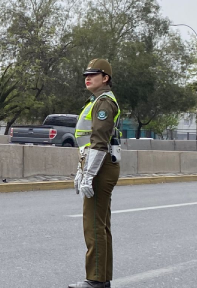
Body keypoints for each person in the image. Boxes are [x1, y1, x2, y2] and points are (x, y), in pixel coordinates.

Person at [70, 59, 121, 288]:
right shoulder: (97, 101)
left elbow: (99, 142)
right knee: (100, 224)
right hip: (97, 164)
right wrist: (82, 171)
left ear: (106, 78)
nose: (87, 78)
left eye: (94, 74)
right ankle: (102, 278)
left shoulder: (103, 103)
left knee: (93, 224)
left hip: (100, 166)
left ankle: (96, 280)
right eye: (86, 74)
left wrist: (89, 174)